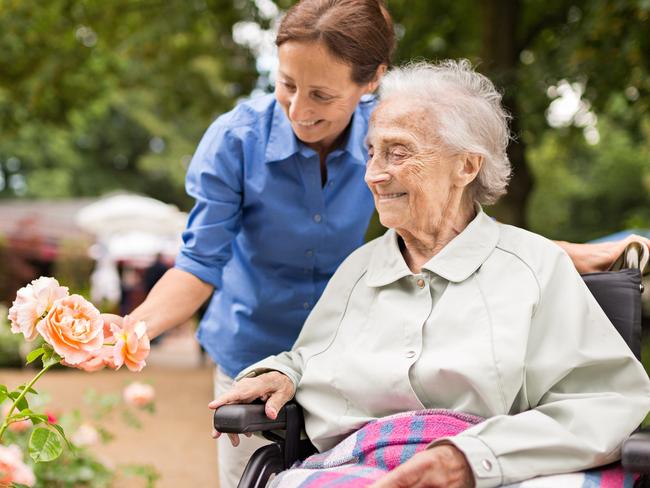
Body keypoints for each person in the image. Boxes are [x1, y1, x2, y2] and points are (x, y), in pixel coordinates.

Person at [100, 1, 650, 485]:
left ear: (369, 82)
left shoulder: (397, 127)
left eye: (320, 94)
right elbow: (202, 266)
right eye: (286, 85)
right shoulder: (245, 147)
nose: (298, 109)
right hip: (260, 351)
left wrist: (557, 254)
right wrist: (132, 333)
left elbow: (459, 228)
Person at [209, 60, 650, 488]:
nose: (373, 175)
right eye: (371, 153)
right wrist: (282, 374)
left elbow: (606, 401)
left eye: (397, 152)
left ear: (467, 166)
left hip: (496, 470)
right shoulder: (358, 271)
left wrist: (470, 459)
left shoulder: (535, 267)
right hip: (352, 466)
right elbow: (311, 358)